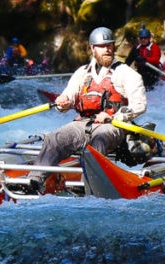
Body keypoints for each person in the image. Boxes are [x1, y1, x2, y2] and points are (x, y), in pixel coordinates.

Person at [27, 26, 147, 192]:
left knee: (97, 140)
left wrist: (114, 117)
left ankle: (90, 187)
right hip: (82, 123)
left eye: (110, 45)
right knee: (53, 139)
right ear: (92, 48)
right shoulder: (82, 73)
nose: (107, 49)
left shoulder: (126, 73)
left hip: (112, 126)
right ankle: (34, 181)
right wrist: (64, 103)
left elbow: (139, 105)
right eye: (102, 46)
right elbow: (68, 98)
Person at [126, 24, 162, 89]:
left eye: (145, 38)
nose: (143, 40)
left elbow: (156, 60)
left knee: (149, 87)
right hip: (141, 72)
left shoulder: (154, 47)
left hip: (153, 72)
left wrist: (145, 59)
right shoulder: (136, 48)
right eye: (141, 38)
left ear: (149, 38)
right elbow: (128, 60)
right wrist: (122, 68)